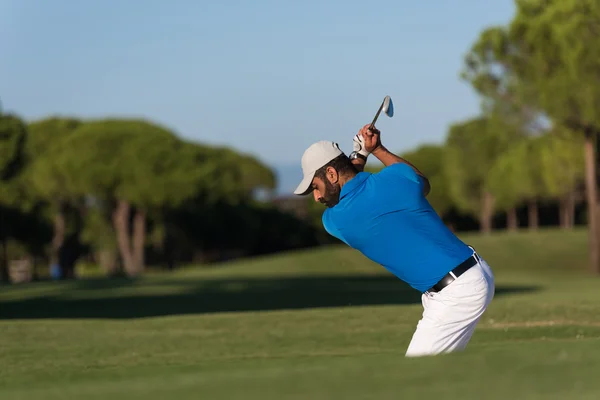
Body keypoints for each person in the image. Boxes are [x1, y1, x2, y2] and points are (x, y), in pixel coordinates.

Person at [293, 124, 495, 357]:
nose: (317, 197)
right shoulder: (394, 178)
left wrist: (359, 156)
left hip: (456, 292)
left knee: (415, 378)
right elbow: (421, 183)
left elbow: (354, 189)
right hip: (472, 273)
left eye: (315, 187)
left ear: (331, 174)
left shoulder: (335, 221)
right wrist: (377, 149)